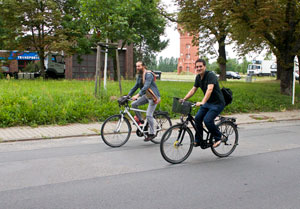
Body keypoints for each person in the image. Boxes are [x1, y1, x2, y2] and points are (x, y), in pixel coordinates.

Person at [181, 58, 225, 148]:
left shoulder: (210, 75)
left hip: (217, 103)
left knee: (207, 120)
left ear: (205, 66)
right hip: (208, 102)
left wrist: (202, 102)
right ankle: (198, 140)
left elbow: (210, 89)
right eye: (197, 67)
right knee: (197, 118)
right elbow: (193, 89)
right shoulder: (198, 77)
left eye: (200, 66)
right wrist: (184, 99)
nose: (199, 68)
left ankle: (218, 137)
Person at [128, 61, 161, 141]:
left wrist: (137, 95)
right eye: (136, 66)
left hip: (154, 97)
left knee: (149, 115)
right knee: (134, 104)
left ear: (143, 66)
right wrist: (128, 95)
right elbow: (135, 86)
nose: (137, 68)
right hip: (147, 96)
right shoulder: (139, 76)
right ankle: (141, 121)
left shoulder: (148, 75)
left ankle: (152, 133)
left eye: (139, 66)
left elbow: (146, 87)